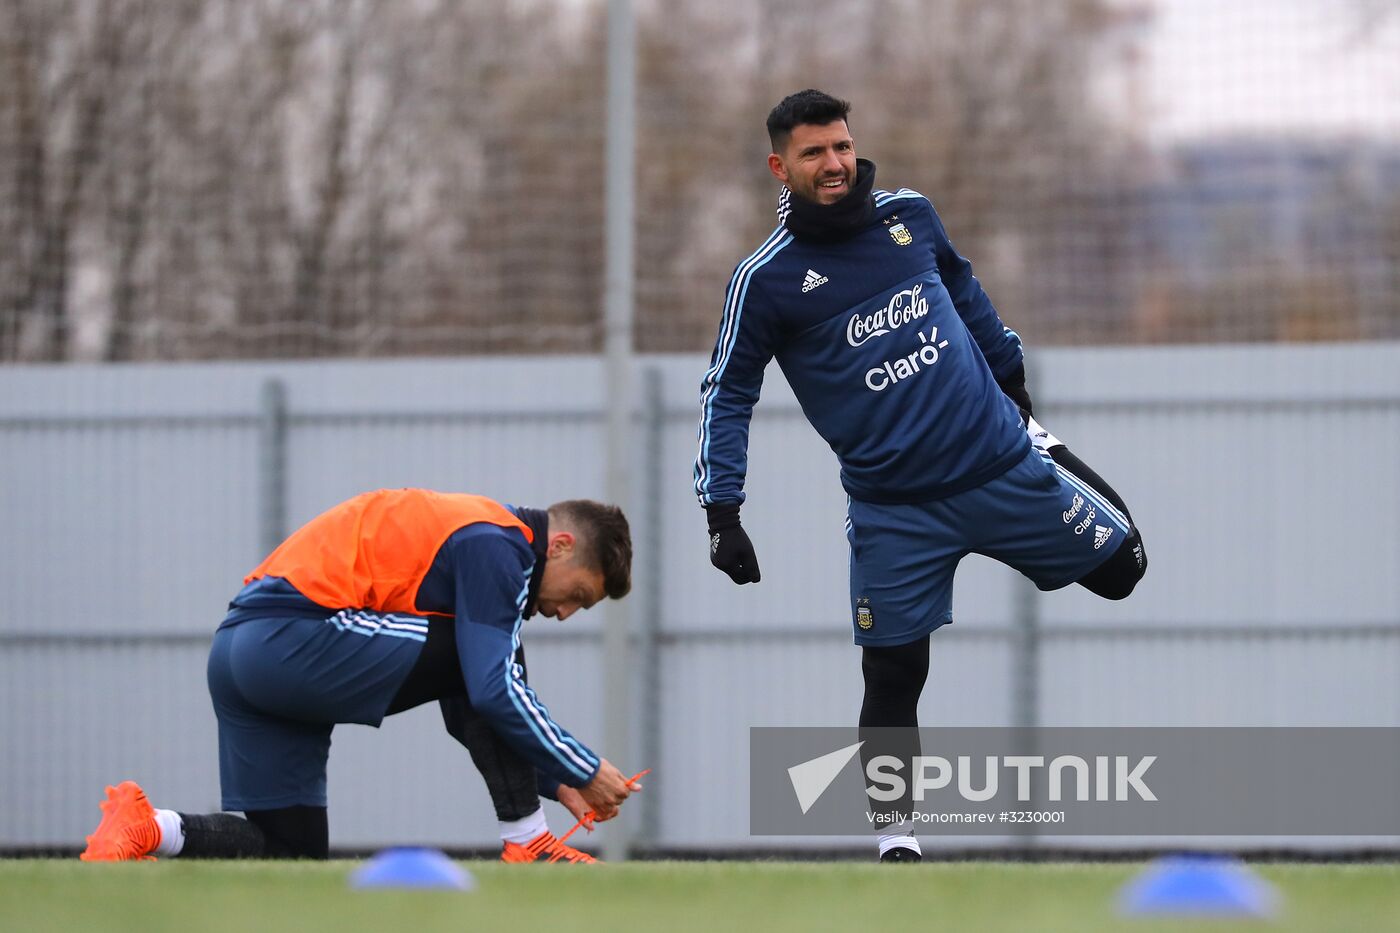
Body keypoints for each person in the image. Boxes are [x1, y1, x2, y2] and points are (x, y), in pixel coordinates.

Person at [695, 90, 1147, 862]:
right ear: (781, 165)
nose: (835, 163)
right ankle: (896, 839)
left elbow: (968, 295)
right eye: (814, 153)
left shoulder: (911, 217)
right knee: (894, 667)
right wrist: (723, 511)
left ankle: (1044, 450)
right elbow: (727, 391)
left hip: (1000, 465)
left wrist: (1012, 378)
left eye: (840, 145)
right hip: (894, 512)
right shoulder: (765, 281)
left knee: (1123, 572)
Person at [81, 489, 643, 863]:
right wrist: (585, 767)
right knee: (494, 659)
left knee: (288, 854)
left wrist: (555, 779)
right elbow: (488, 688)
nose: (565, 613)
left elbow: (467, 702)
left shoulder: (481, 541)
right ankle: (529, 842)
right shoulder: (499, 545)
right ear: (561, 546)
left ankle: (147, 827)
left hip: (240, 651)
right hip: (292, 634)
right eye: (577, 595)